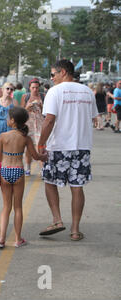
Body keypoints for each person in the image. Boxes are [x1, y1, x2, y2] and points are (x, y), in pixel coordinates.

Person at [37, 59, 98, 241]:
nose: (52, 77)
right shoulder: (88, 92)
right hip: (82, 146)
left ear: (63, 72)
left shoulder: (54, 92)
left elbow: (49, 120)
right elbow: (94, 118)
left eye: (53, 74)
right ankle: (75, 230)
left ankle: (57, 220)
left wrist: (41, 143)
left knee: (50, 181)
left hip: (58, 146)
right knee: (77, 186)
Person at [0, 107, 46, 249]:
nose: (6, 120)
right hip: (18, 171)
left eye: (8, 118)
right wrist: (44, 156)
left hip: (5, 171)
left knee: (6, 207)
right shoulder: (25, 138)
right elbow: (35, 156)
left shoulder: (3, 136)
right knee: (17, 207)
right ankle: (17, 239)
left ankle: (1, 239)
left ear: (12, 121)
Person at [21, 78, 45, 176]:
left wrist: (40, 106)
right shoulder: (25, 97)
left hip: (40, 125)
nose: (35, 89)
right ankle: (28, 168)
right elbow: (21, 111)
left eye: (37, 87)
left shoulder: (43, 96)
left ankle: (43, 169)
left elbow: (46, 112)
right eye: (33, 87)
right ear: (30, 88)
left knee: (40, 147)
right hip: (28, 125)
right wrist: (27, 108)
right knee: (28, 148)